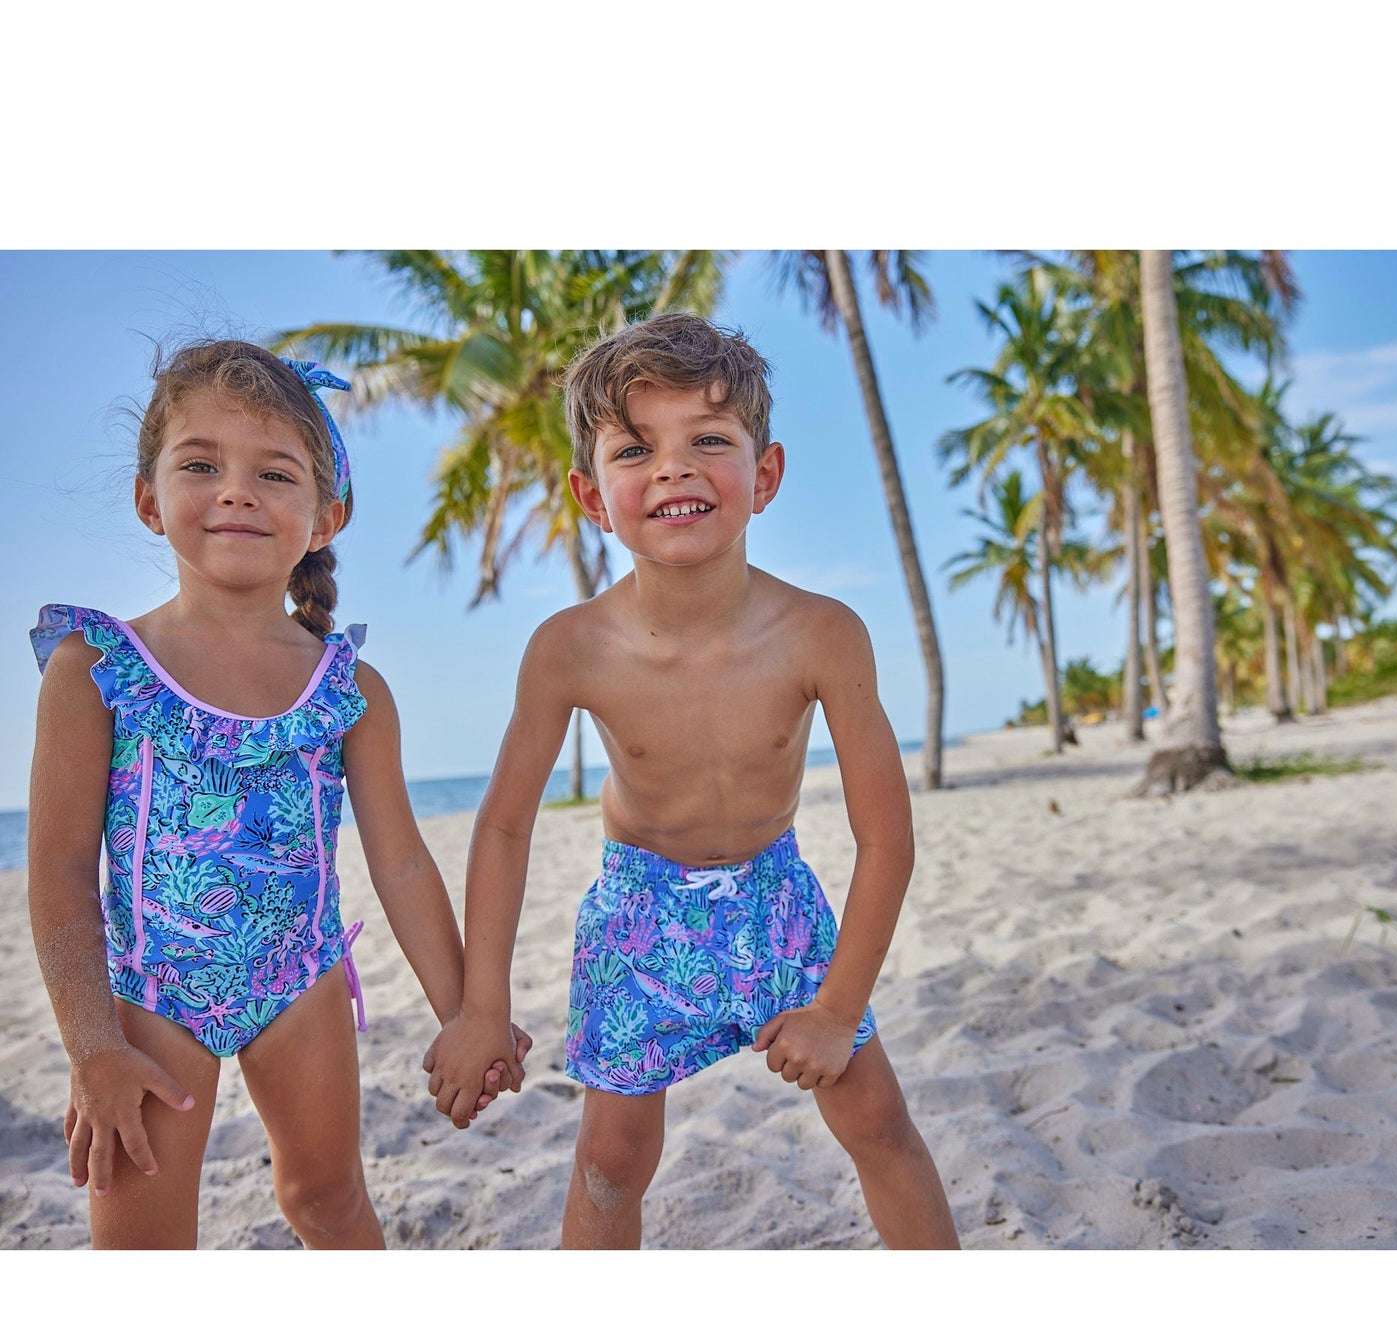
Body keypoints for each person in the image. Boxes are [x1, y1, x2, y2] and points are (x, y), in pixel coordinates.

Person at [423, 314, 959, 1249]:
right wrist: (482, 1008)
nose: (673, 469)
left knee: (877, 1121)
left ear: (766, 475)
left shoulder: (822, 634)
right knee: (612, 1160)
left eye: (708, 440)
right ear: (593, 496)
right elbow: (504, 827)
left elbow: (886, 837)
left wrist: (836, 1012)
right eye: (637, 450)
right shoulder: (570, 648)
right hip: (640, 914)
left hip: (777, 898)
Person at [27, 339, 523, 1250]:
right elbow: (58, 871)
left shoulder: (349, 689)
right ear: (149, 500)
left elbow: (402, 865)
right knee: (141, 1248)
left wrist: (468, 1013)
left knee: (328, 1202)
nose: (237, 492)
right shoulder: (96, 667)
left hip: (301, 983)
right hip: (149, 996)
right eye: (201, 465)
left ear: (326, 516)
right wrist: (93, 1047)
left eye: (275, 473)